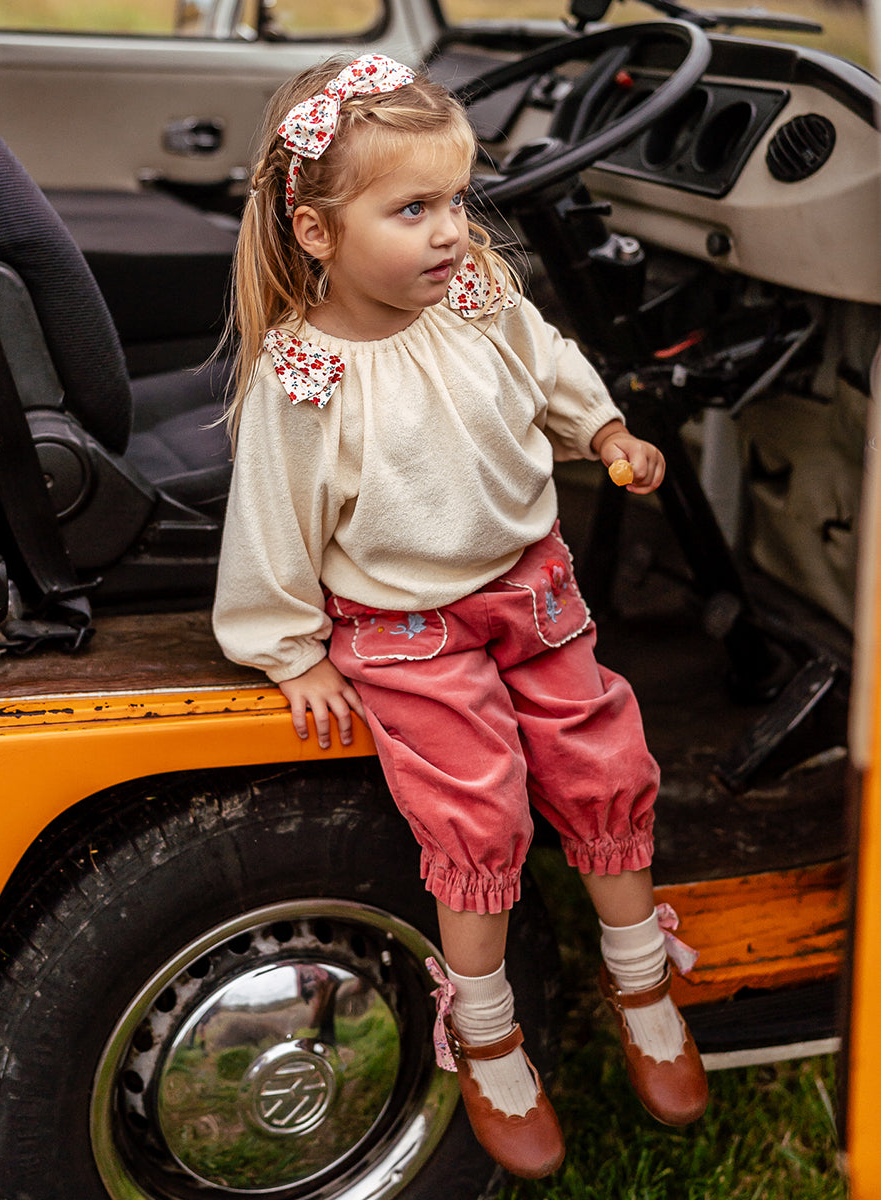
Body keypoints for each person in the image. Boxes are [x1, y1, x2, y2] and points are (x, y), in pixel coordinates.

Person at [212, 52, 708, 1179]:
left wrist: (602, 430)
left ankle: (642, 982)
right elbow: (272, 523)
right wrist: (292, 653)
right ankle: (484, 1031)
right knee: (476, 816)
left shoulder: (476, 294)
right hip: (408, 631)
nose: (450, 232)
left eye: (455, 199)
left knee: (605, 760)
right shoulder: (307, 378)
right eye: (413, 210)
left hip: (533, 589)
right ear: (317, 231)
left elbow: (548, 365)